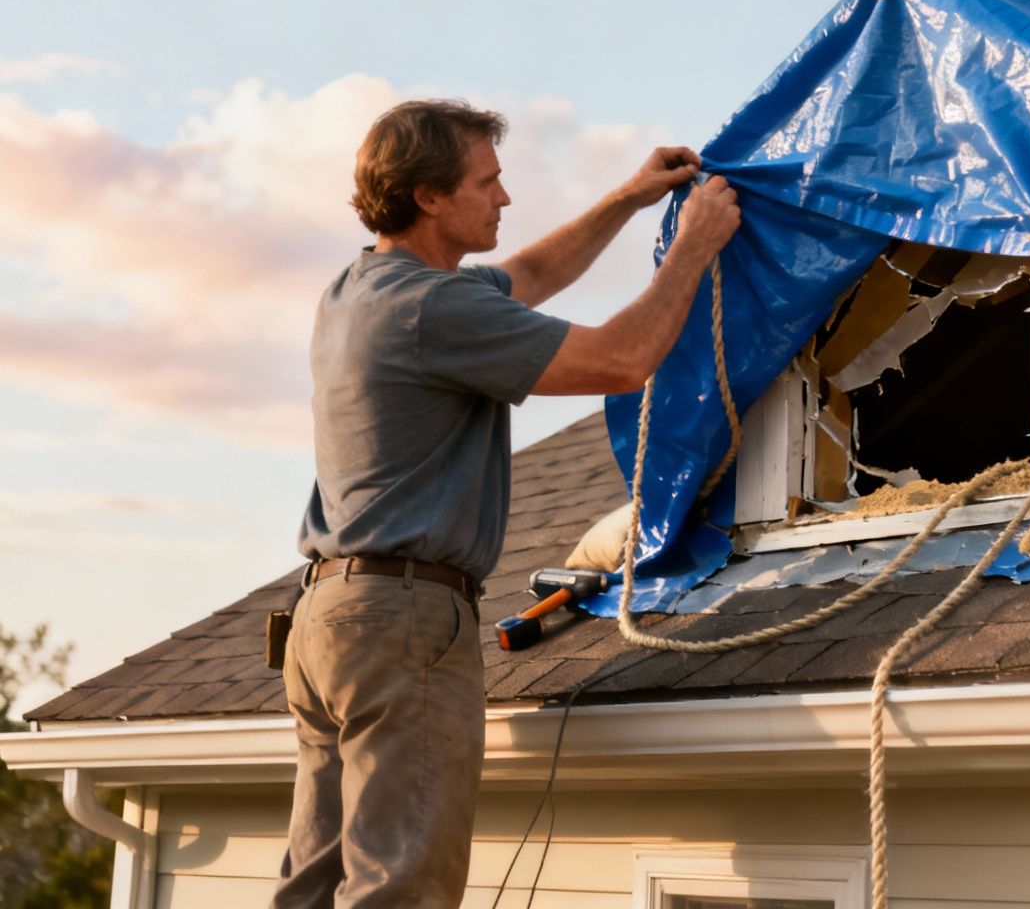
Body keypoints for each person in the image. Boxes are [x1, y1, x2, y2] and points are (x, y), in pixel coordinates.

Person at [272, 99, 740, 909]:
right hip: (403, 619)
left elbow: (530, 277)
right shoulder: (433, 310)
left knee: (314, 888)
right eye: (487, 181)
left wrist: (629, 198)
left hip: (329, 620)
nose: (505, 197)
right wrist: (694, 246)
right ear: (428, 196)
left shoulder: (359, 289)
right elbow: (624, 359)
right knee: (400, 890)